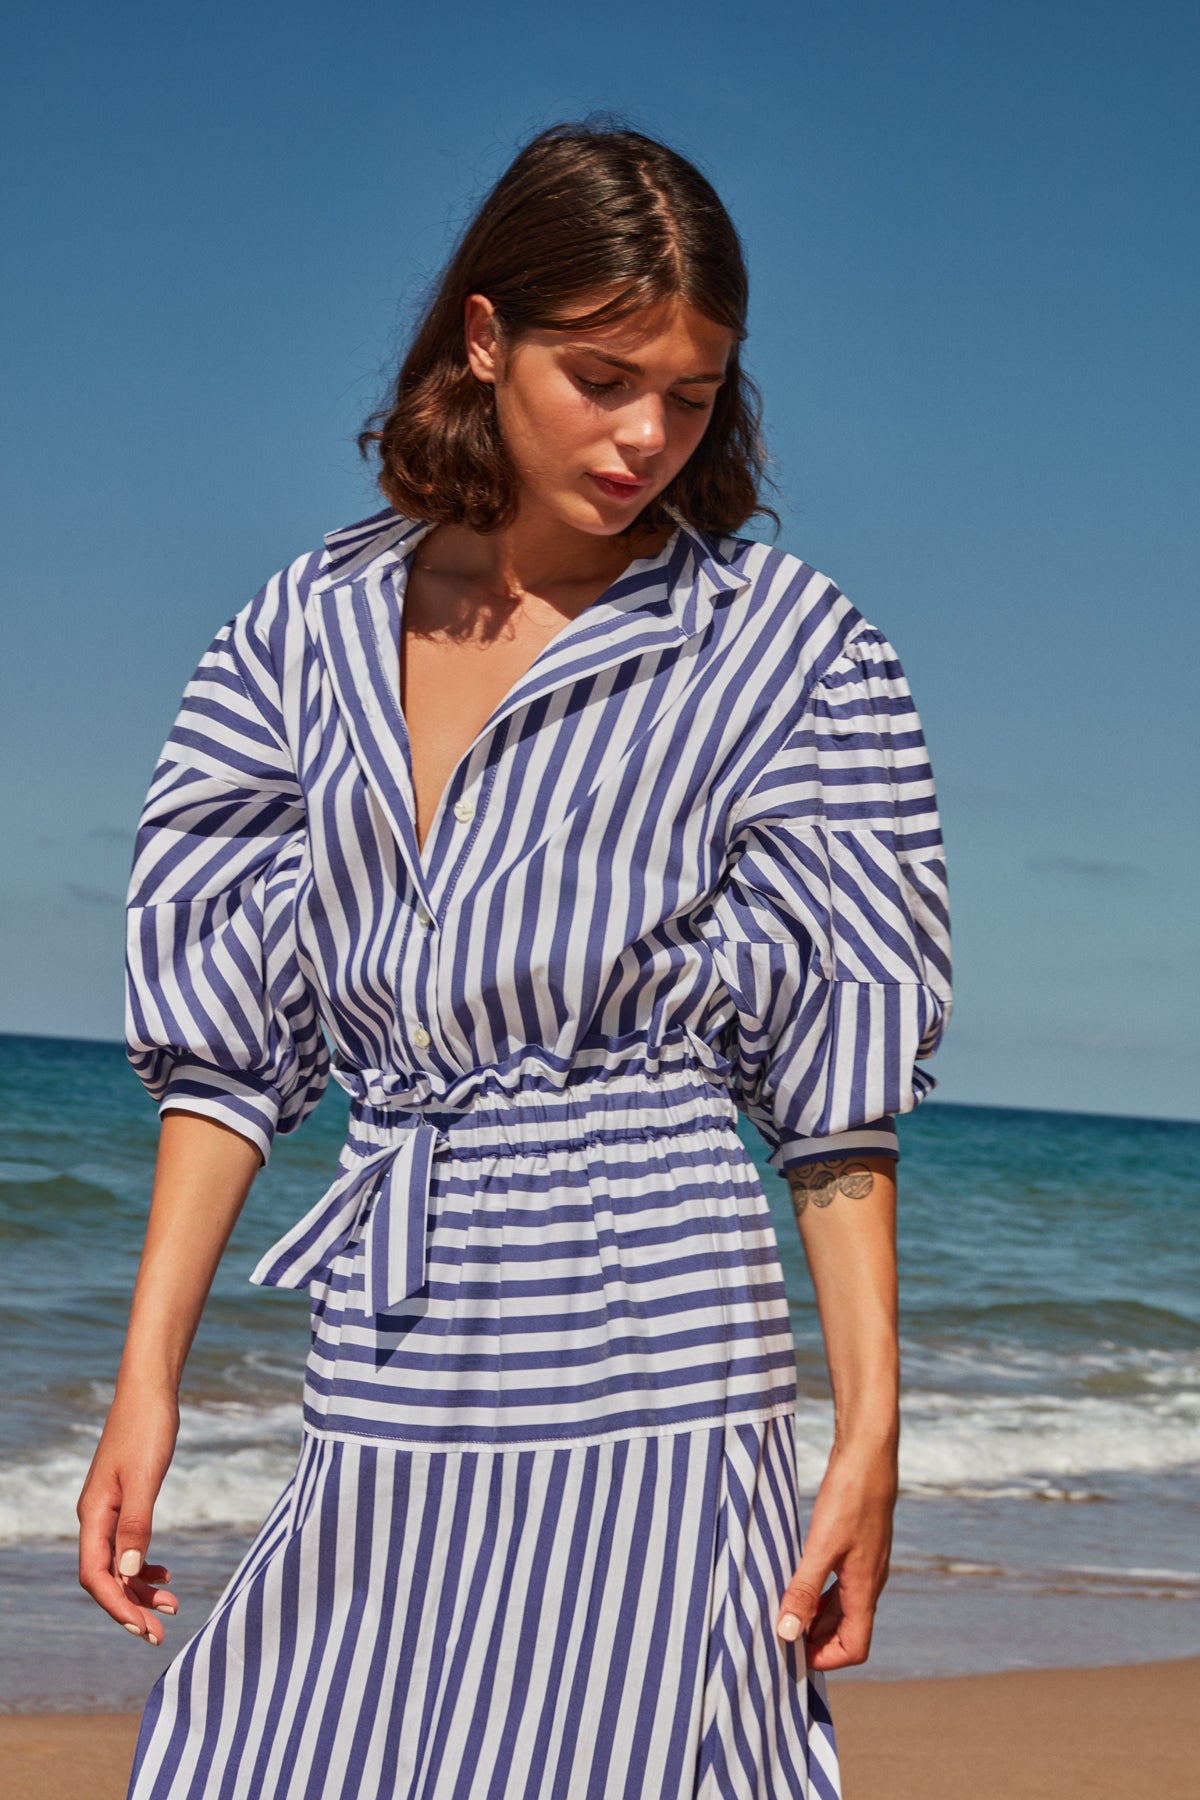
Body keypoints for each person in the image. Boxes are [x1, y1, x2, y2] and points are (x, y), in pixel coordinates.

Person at [77, 117, 952, 1798]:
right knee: (259, 1752)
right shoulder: (298, 635)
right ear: (486, 338)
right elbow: (229, 1056)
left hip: (661, 1327)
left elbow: (834, 1098)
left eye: (690, 395)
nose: (646, 439)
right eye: (602, 379)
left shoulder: (788, 654)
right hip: (393, 1330)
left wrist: (870, 1433)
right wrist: (145, 1384)